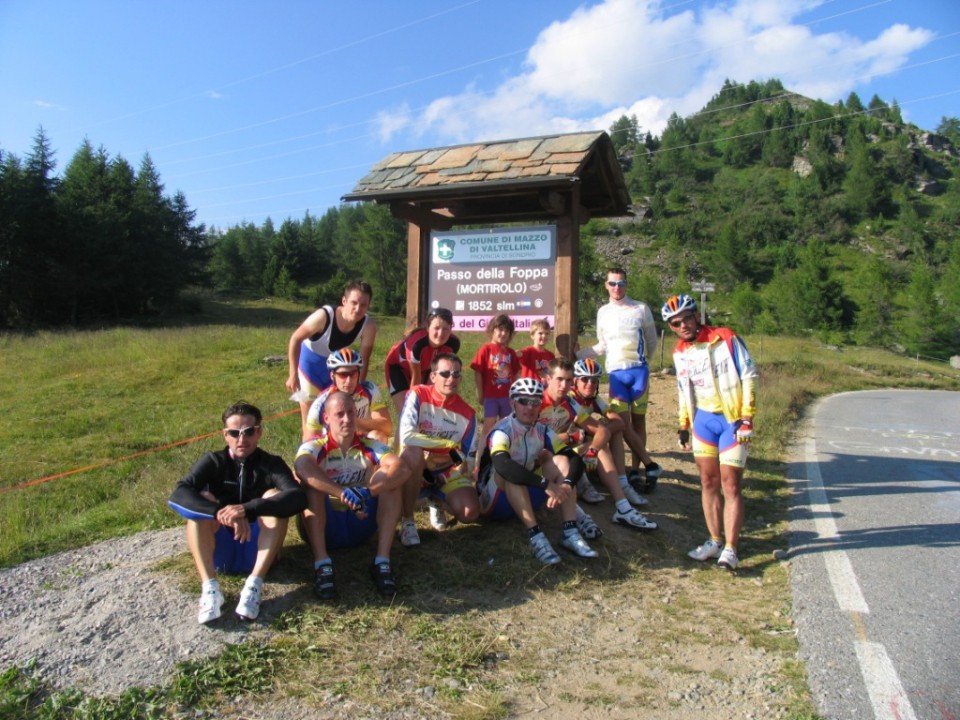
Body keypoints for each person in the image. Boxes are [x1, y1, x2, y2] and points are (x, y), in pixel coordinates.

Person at [168, 402, 307, 624]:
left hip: (258, 550)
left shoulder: (271, 464)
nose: (241, 440)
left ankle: (254, 585)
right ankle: (210, 588)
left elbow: (298, 497)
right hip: (220, 552)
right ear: (225, 435)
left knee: (273, 495)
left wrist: (248, 508)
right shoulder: (213, 461)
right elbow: (178, 495)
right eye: (234, 433)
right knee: (201, 503)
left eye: (248, 432)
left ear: (259, 431)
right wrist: (220, 512)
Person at [662, 294, 758, 571]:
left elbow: (749, 376)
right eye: (675, 323)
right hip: (702, 420)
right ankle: (715, 540)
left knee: (730, 484)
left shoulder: (725, 338)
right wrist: (683, 424)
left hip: (731, 419)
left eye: (686, 319)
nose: (683, 326)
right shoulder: (680, 352)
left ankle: (731, 548)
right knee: (707, 481)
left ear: (696, 316)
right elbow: (684, 389)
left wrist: (747, 417)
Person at [294, 392, 410, 599]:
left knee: (391, 480)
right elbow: (302, 467)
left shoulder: (369, 444)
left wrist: (368, 492)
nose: (346, 419)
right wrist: (342, 493)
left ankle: (382, 562)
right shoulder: (314, 446)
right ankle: (322, 565)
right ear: (326, 418)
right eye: (339, 414)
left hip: (361, 521)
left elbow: (402, 469)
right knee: (311, 486)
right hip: (326, 526)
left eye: (351, 413)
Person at [476, 378, 598, 565]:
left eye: (535, 402)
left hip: (524, 494)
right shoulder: (502, 430)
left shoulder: (542, 429)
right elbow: (502, 465)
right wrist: (545, 484)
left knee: (560, 461)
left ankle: (570, 531)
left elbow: (573, 458)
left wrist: (566, 484)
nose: (529, 407)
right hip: (494, 500)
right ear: (512, 403)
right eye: (523, 401)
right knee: (510, 472)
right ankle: (536, 537)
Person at [538, 358, 657, 532]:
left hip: (563, 451)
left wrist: (593, 450)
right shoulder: (538, 400)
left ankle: (622, 506)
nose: (564, 385)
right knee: (560, 456)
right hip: (541, 457)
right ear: (548, 379)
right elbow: (533, 438)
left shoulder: (571, 403)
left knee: (602, 447)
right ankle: (579, 514)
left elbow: (604, 430)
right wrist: (571, 437)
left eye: (568, 380)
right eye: (560, 379)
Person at [578, 267, 662, 488]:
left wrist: (643, 363)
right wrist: (578, 354)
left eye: (621, 283)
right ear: (606, 285)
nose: (617, 288)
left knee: (639, 421)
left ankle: (636, 470)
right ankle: (646, 465)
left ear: (627, 284)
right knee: (623, 424)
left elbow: (652, 342)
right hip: (616, 373)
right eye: (613, 283)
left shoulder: (641, 308)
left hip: (638, 371)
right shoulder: (603, 312)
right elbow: (602, 345)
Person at [396, 353, 479, 546]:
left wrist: (448, 466)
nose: (451, 379)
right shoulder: (417, 394)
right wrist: (447, 445)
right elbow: (407, 436)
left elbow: (468, 457)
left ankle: (437, 500)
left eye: (456, 374)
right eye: (445, 373)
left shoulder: (468, 413)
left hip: (445, 470)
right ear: (433, 376)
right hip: (414, 465)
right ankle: (408, 522)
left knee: (470, 513)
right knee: (413, 452)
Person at [286, 281, 378, 437]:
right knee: (310, 424)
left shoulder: (369, 325)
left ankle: (342, 457)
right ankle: (307, 458)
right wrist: (293, 374)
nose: (357, 309)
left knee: (339, 417)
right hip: (310, 368)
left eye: (363, 305)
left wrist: (358, 385)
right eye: (353, 303)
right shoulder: (324, 316)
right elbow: (295, 339)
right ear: (344, 301)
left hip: (337, 370)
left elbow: (363, 359)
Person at [570, 357, 654, 506]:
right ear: (575, 381)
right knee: (598, 433)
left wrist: (604, 432)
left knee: (614, 431)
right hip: (568, 444)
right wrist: (602, 433)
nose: (590, 384)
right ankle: (583, 484)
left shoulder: (593, 398)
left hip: (584, 442)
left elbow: (619, 423)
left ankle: (622, 483)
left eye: (594, 380)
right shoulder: (570, 398)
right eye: (585, 379)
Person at [303, 349, 392, 444]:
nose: (349, 380)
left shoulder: (370, 390)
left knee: (378, 436)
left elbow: (387, 427)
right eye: (343, 375)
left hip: (361, 440)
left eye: (353, 374)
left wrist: (354, 422)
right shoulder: (321, 403)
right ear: (332, 376)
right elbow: (308, 442)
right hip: (333, 446)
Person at [385, 308, 460, 414]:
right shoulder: (417, 344)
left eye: (445, 329)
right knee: (408, 412)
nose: (441, 333)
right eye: (436, 328)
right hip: (398, 369)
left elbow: (435, 375)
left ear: (451, 329)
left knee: (427, 412)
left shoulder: (453, 344)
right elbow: (416, 379)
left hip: (425, 369)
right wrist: (415, 404)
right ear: (428, 328)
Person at [471, 314, 521, 457]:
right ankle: (480, 460)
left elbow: (517, 373)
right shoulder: (485, 349)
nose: (503, 333)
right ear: (492, 330)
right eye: (500, 329)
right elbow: (478, 372)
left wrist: (517, 395)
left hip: (507, 398)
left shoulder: (511, 352)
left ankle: (505, 456)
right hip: (491, 396)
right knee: (489, 425)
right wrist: (480, 393)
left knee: (508, 425)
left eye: (507, 331)